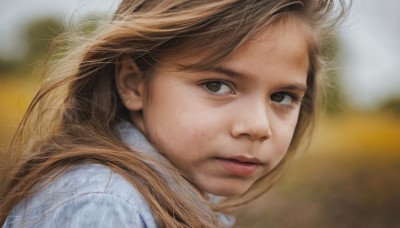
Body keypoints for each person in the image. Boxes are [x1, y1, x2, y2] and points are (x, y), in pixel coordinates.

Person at [0, 0, 348, 227]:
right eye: (217, 86)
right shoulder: (105, 207)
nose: (258, 127)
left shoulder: (178, 200)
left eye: (282, 96)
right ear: (134, 83)